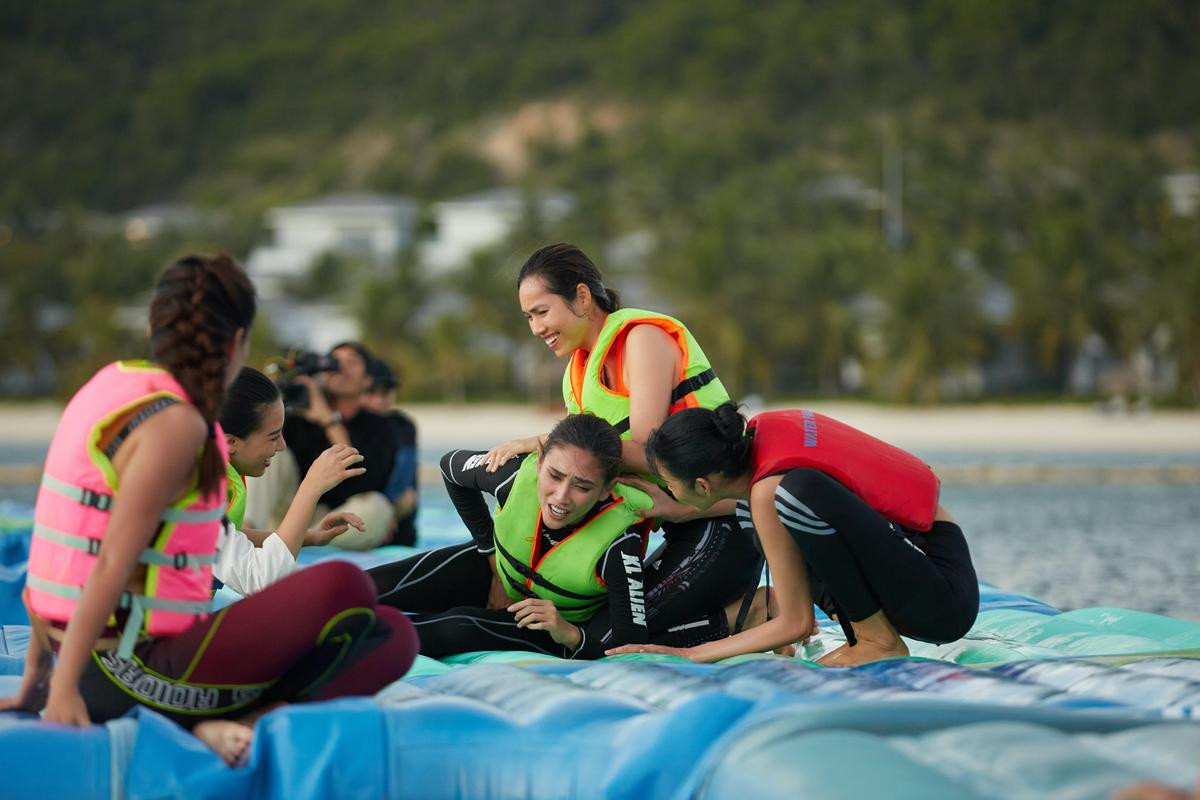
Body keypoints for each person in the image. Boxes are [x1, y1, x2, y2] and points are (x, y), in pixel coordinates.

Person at [0, 254, 418, 764]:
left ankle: (240, 718)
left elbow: (63, 546)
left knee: (395, 637)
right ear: (236, 341)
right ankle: (210, 726)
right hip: (124, 670)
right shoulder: (180, 428)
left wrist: (33, 684)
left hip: (79, 651)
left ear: (156, 324)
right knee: (346, 586)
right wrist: (62, 694)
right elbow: (110, 560)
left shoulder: (112, 385)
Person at [481, 243, 764, 648]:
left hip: (724, 525)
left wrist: (540, 443)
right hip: (676, 524)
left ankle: (749, 613)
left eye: (542, 312)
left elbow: (651, 452)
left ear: (581, 296)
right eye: (528, 317)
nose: (536, 328)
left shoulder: (642, 339)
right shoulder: (577, 374)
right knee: (583, 627)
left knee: (609, 643)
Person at [608, 403, 979, 666]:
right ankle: (863, 635)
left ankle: (876, 641)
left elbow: (795, 624)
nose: (669, 493)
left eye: (671, 486)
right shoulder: (762, 434)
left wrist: (688, 654)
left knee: (789, 498)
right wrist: (675, 507)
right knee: (759, 510)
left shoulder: (773, 491)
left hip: (943, 596)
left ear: (703, 485)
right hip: (928, 565)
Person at [369, 414, 740, 658]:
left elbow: (628, 643)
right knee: (370, 587)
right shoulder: (514, 476)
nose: (560, 498)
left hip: (543, 620)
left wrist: (567, 633)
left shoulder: (618, 544)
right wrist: (488, 555)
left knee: (453, 628)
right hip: (501, 573)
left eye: (582, 486)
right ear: (541, 460)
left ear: (608, 488)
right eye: (555, 476)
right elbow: (451, 467)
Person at [216, 366, 370, 595]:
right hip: (156, 631)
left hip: (171, 624)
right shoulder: (192, 489)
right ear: (229, 442)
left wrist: (309, 536)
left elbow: (226, 537)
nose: (282, 446)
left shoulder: (196, 468)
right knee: (342, 587)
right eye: (273, 437)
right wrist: (311, 487)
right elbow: (263, 580)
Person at [245, 341, 399, 550]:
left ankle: (301, 540)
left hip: (338, 518)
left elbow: (364, 481)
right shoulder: (298, 415)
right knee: (274, 455)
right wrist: (273, 399)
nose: (340, 367)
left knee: (378, 507)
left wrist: (327, 419)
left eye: (351, 362)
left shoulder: (379, 425)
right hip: (291, 513)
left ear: (367, 380)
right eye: (334, 361)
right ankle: (246, 537)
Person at [363, 356, 419, 547]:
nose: (379, 399)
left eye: (385, 391)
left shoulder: (403, 425)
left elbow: (405, 473)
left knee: (407, 497)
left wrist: (387, 512)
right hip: (363, 506)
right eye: (372, 392)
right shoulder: (348, 424)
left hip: (395, 513)